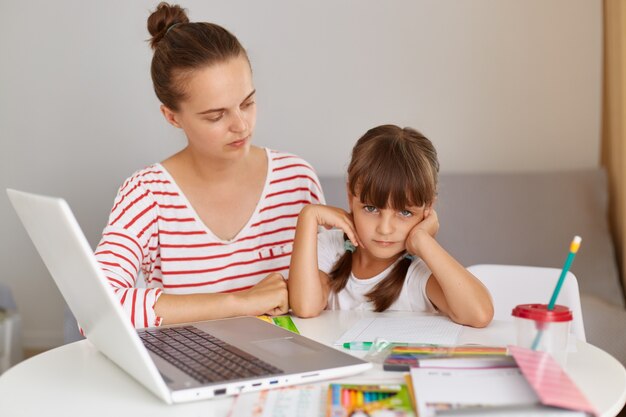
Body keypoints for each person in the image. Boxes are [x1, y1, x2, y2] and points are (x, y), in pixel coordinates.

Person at [95, 2, 324, 328]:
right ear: (172, 117)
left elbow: (333, 291)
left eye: (248, 103)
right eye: (216, 116)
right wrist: (239, 302)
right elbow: (96, 309)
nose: (241, 125)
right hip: (193, 368)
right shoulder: (147, 194)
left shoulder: (297, 180)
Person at [288, 125, 493, 327]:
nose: (385, 229)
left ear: (427, 208)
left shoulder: (418, 273)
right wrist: (308, 216)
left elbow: (479, 314)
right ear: (350, 197)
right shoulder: (331, 249)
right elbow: (305, 307)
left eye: (405, 212)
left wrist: (422, 240)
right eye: (371, 208)